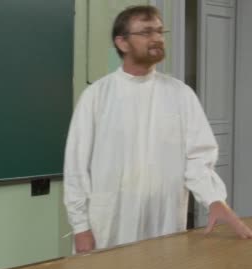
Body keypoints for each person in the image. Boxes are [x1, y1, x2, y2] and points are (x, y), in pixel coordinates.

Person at [64, 5, 252, 254]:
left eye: (159, 31)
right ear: (122, 42)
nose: (156, 39)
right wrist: (80, 227)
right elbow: (76, 166)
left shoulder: (180, 95)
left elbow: (198, 157)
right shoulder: (97, 96)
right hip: (109, 224)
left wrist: (214, 199)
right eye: (146, 32)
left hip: (163, 221)